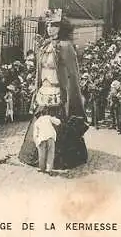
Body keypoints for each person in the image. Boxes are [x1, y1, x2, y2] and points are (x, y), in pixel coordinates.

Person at [18, 9, 88, 170]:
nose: (50, 29)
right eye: (48, 25)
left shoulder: (66, 47)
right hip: (44, 91)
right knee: (40, 124)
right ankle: (38, 157)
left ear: (61, 27)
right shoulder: (44, 46)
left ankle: (55, 160)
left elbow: (72, 74)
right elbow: (39, 71)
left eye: (54, 26)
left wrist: (71, 96)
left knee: (59, 126)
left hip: (58, 93)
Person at [33, 106, 61, 174]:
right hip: (50, 137)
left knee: (41, 155)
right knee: (50, 154)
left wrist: (37, 143)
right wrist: (54, 118)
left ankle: (42, 169)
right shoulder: (48, 117)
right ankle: (49, 169)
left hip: (41, 139)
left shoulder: (36, 122)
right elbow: (58, 122)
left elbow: (35, 135)